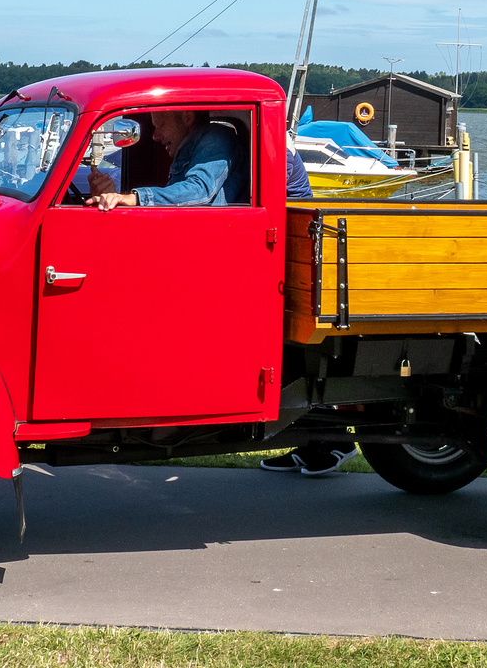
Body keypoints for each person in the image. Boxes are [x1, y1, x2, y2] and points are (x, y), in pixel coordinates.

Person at [261, 147, 358, 476]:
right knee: (295, 362)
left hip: (298, 263)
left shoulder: (278, 155)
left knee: (304, 362)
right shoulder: (255, 145)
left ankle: (336, 441)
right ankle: (309, 441)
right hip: (288, 262)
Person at [87, 110, 246, 209]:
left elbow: (199, 191)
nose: (155, 136)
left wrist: (133, 198)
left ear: (187, 117)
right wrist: (112, 198)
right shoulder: (190, 149)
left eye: (160, 125)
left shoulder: (216, 138)